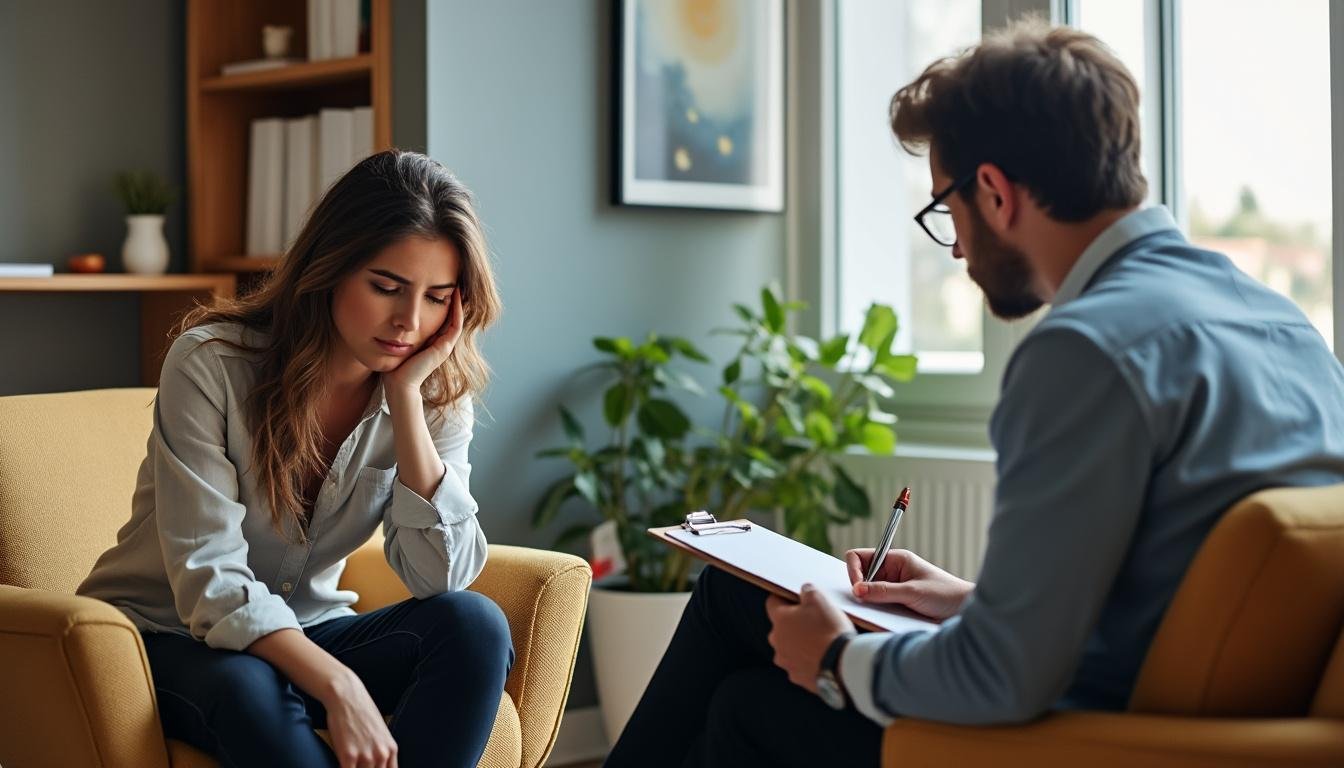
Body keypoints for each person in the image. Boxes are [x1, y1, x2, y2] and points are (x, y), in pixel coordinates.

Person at [605, 19, 1344, 768]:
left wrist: (837, 661)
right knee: (737, 601)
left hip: (1085, 739)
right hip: (1201, 724)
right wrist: (966, 600)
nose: (955, 245)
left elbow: (1002, 678)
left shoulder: (1085, 350)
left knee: (752, 703)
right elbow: (1169, 600)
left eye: (944, 211)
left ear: (992, 192)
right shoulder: (1282, 325)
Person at [78, 150, 510, 768]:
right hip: (166, 634)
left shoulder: (434, 394)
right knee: (246, 684)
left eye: (438, 298)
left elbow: (439, 578)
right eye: (386, 287)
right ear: (330, 268)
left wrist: (406, 401)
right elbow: (211, 580)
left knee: (475, 625)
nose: (409, 322)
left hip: (311, 627)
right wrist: (338, 684)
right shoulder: (212, 365)